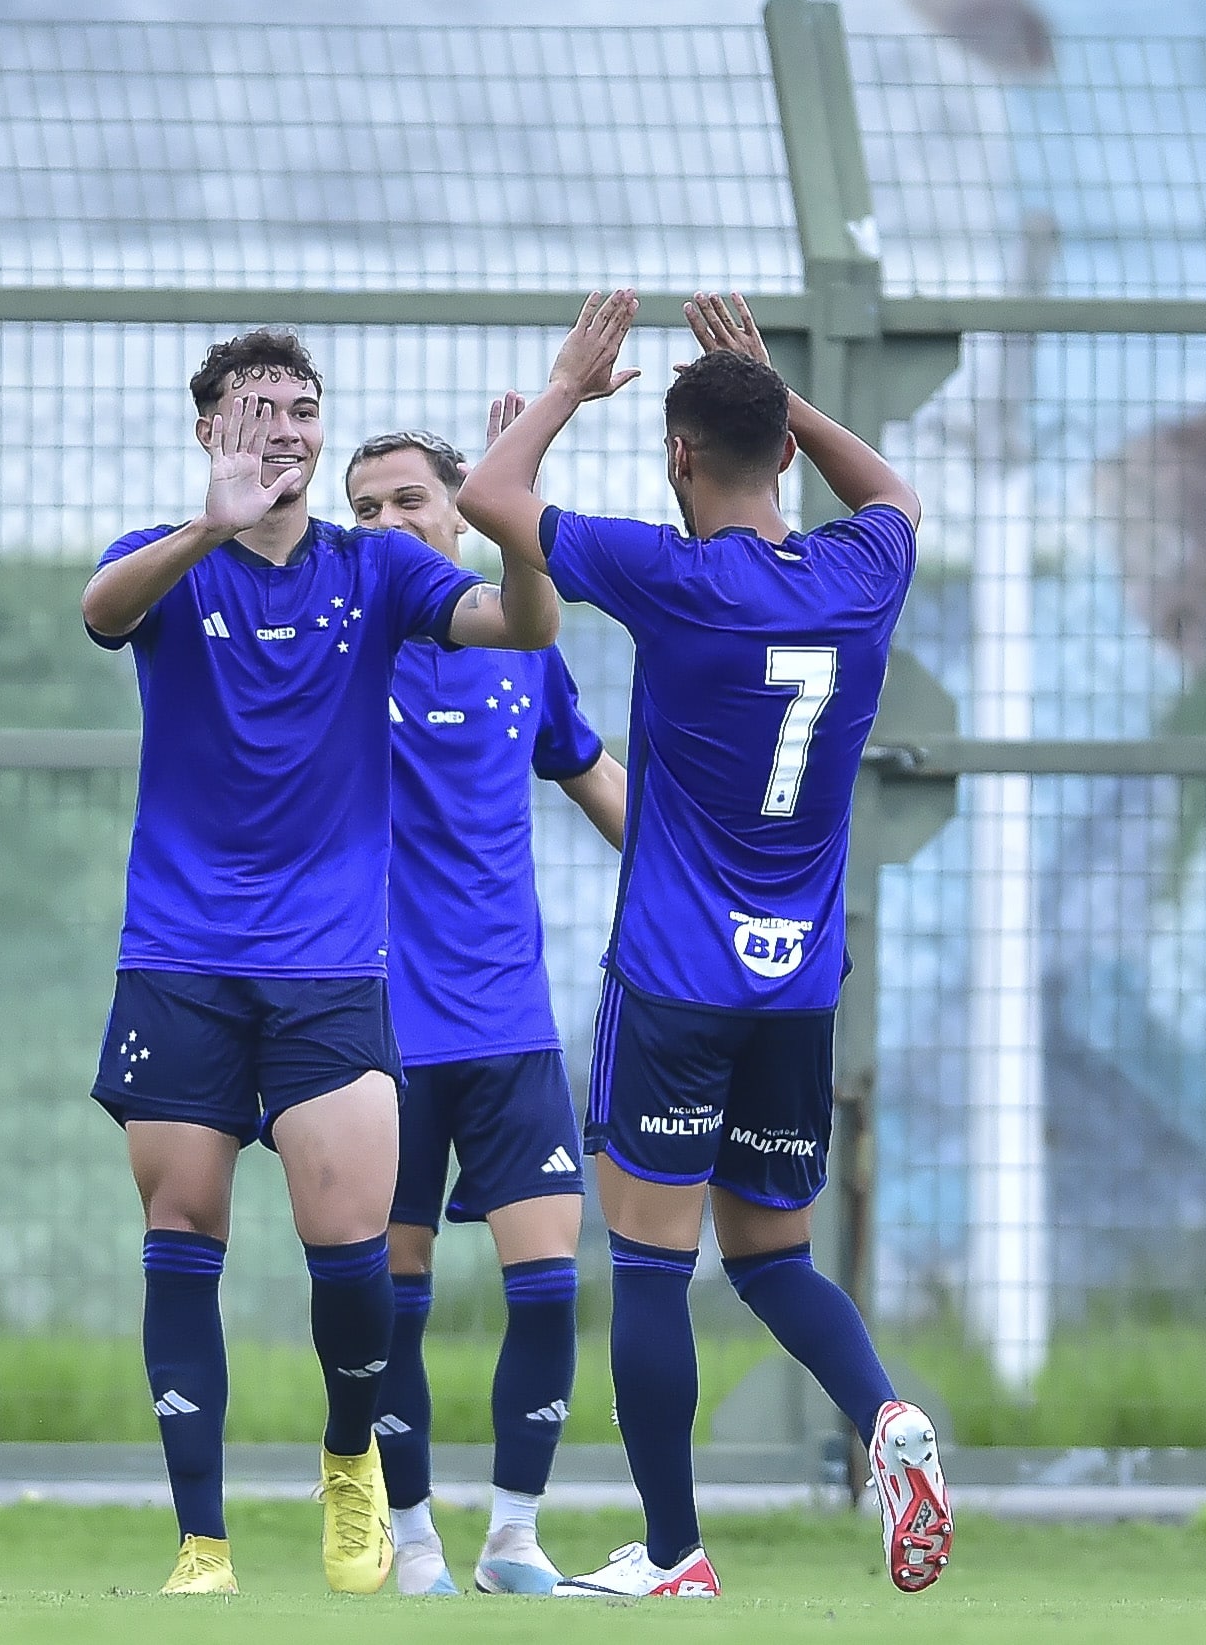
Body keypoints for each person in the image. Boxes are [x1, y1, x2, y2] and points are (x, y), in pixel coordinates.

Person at [458, 289, 953, 1600]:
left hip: (679, 978)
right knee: (777, 1256)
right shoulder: (863, 572)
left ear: (678, 457)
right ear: (786, 451)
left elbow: (492, 501)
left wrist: (570, 383)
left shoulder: (672, 578)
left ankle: (675, 1552)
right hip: (801, 988)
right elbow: (895, 491)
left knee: (654, 1266)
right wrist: (774, 389)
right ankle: (887, 1419)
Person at [79, 326, 567, 1597]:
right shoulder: (163, 558)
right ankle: (203, 1543)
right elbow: (100, 612)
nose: (285, 427)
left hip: (332, 971)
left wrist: (513, 511)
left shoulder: (375, 570)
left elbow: (520, 622)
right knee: (182, 1227)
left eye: (302, 406)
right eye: (258, 409)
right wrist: (208, 524)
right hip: (179, 958)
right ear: (210, 432)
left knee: (351, 1254)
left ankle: (352, 1462)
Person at [343, 405, 627, 1596]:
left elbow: (595, 777)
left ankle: (515, 1529)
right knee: (388, 1293)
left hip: (510, 1022)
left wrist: (707, 886)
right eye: (363, 509)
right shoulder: (344, 640)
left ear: (459, 508)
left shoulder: (525, 643)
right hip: (381, 1032)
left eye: (408, 498)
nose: (386, 522)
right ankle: (410, 1540)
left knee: (550, 1279)